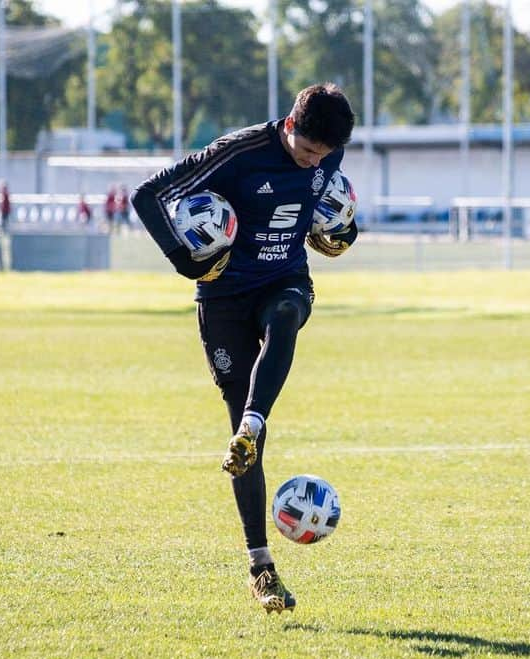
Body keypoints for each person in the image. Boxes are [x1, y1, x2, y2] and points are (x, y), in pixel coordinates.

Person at [131, 83, 359, 614]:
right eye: (307, 152)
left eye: (323, 157)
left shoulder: (328, 150)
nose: (313, 163)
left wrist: (346, 229)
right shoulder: (236, 153)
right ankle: (261, 568)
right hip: (224, 296)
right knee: (241, 443)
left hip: (285, 281)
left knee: (286, 316)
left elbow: (327, 203)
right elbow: (148, 196)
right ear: (289, 126)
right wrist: (183, 261)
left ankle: (256, 422)